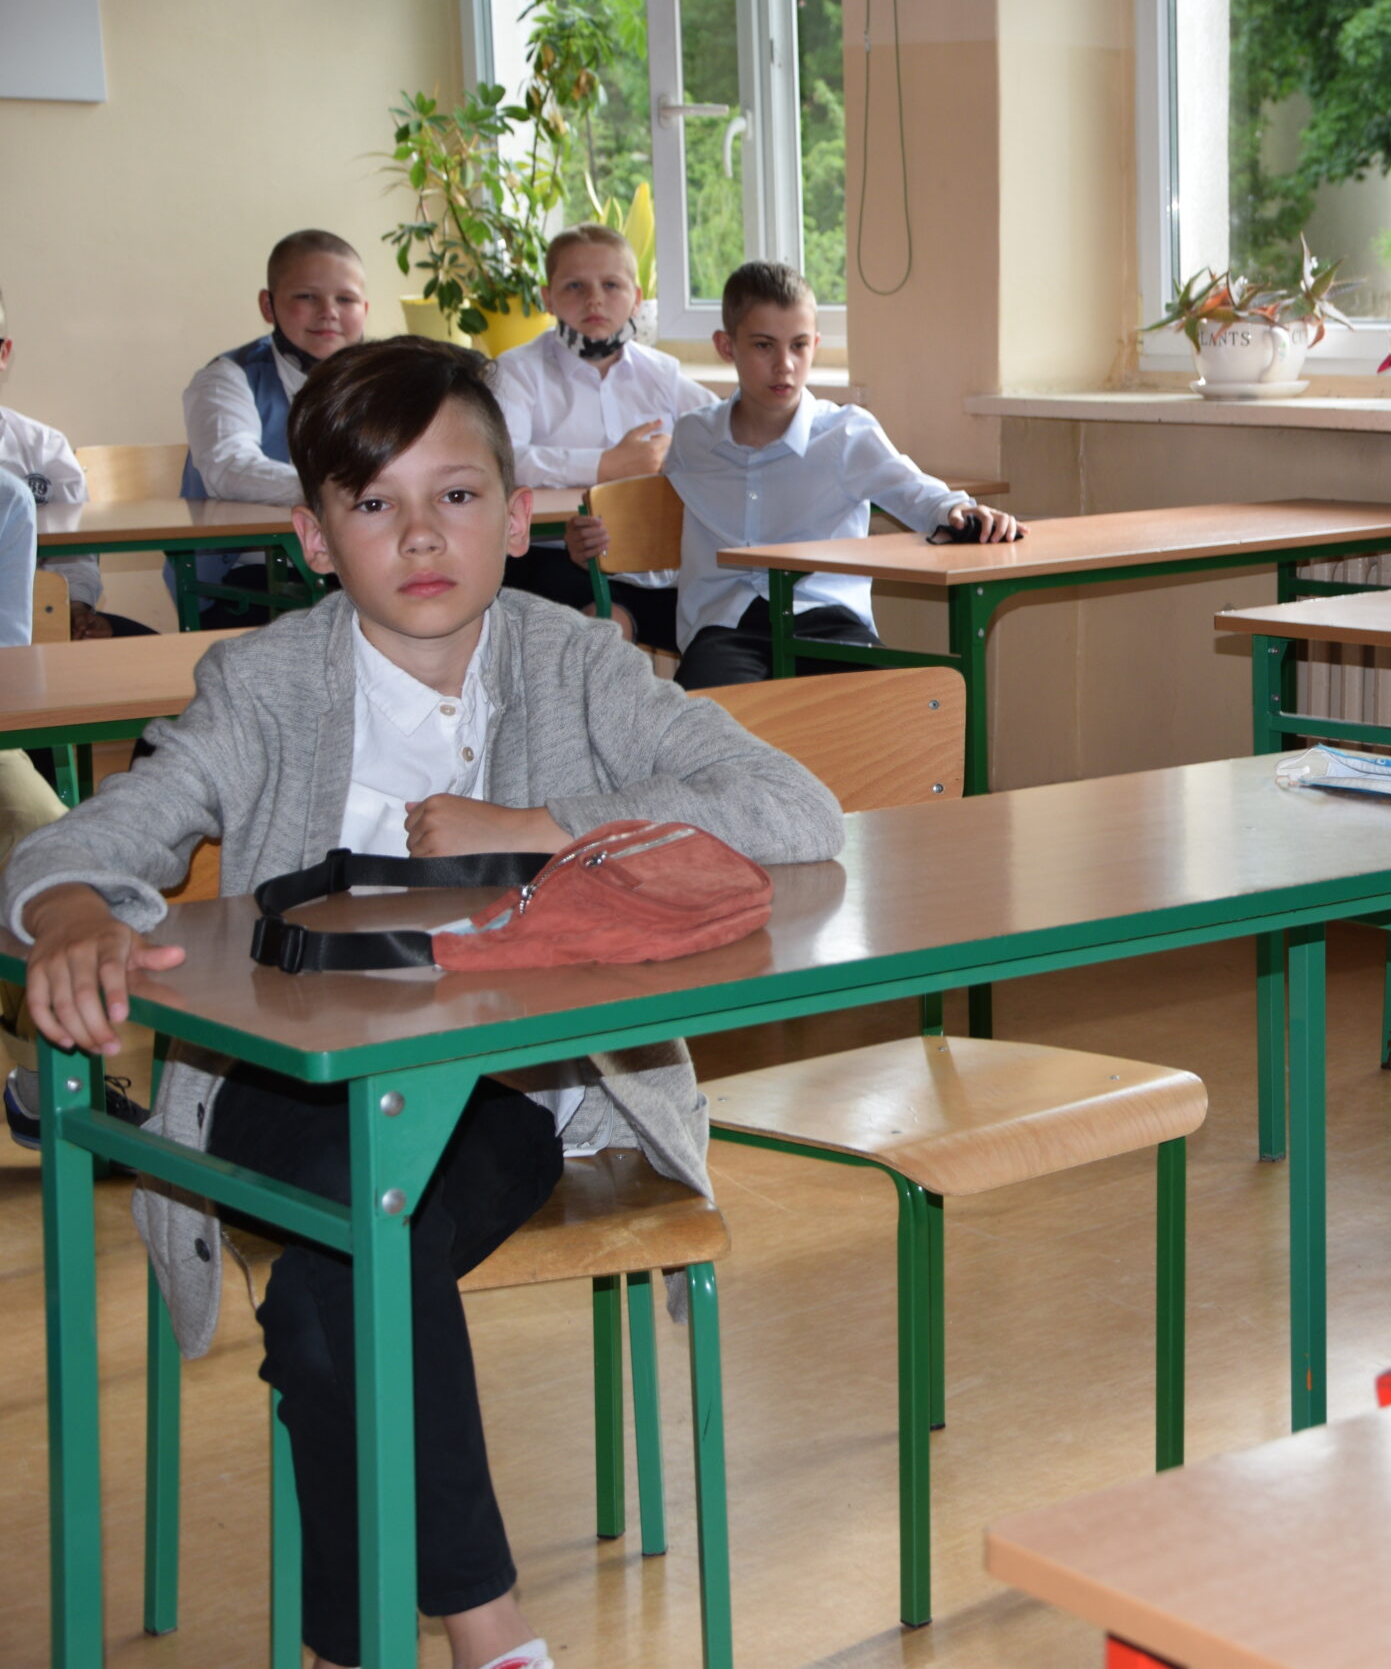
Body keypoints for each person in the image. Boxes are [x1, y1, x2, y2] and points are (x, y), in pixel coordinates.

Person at [6, 336, 842, 1669]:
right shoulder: (265, 682)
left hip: (506, 1093)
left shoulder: (577, 661)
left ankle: (353, 1646)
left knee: (334, 1279)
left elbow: (793, 810)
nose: (419, 535)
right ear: (313, 537)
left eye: (456, 495)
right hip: (286, 1089)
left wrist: (541, 825)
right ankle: (488, 1631)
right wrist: (68, 913)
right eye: (373, 503)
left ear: (517, 517)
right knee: (359, 1243)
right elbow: (101, 834)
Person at [663, 260, 1021, 689]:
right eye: (763, 346)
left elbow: (912, 489)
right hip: (724, 627)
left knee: (892, 707)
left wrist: (958, 509)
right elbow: (653, 523)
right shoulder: (693, 437)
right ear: (726, 346)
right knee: (705, 716)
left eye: (799, 345)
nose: (784, 365)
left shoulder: (845, 434)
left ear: (815, 344)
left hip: (826, 620)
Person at [489, 224, 713, 647]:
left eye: (611, 285)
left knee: (718, 616)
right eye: (575, 286)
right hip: (551, 555)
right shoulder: (517, 371)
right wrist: (605, 465)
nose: (594, 300)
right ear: (547, 298)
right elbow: (502, 460)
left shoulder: (662, 375)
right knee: (601, 627)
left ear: (637, 298)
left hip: (651, 560)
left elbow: (724, 431)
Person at [178, 229, 370, 626]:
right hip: (252, 581)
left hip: (367, 567)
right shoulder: (229, 377)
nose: (328, 312)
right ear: (268, 306)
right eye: (307, 297)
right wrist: (340, 494)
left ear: (365, 309)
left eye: (345, 299)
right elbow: (228, 467)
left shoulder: (387, 381)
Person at [0, 283, 135, 637]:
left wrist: (76, 607)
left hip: (42, 617)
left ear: (4, 353)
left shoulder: (43, 447)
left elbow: (76, 551)